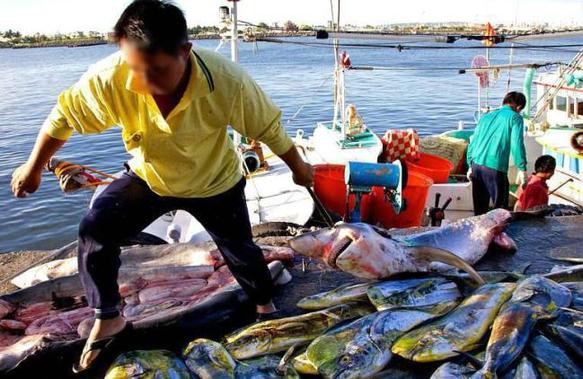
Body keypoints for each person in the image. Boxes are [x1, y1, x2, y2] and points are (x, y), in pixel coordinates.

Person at [10, 0, 313, 373]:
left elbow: (269, 128)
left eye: (154, 70)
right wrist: (34, 166)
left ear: (185, 51)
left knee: (239, 248)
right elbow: (63, 117)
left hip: (214, 179)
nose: (139, 81)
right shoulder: (111, 77)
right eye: (133, 68)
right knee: (96, 229)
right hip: (150, 176)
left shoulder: (227, 81)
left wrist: (300, 169)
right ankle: (109, 317)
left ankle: (264, 307)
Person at [466, 91, 528, 215]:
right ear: (519, 107)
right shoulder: (515, 117)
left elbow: (473, 142)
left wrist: (469, 165)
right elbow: (517, 145)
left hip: (476, 165)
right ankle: (498, 234)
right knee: (500, 212)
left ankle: (479, 233)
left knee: (479, 210)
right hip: (495, 168)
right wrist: (522, 169)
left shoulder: (485, 117)